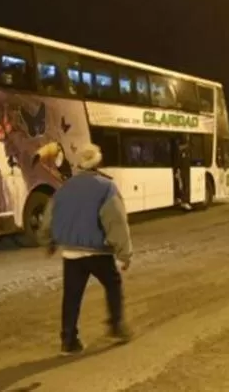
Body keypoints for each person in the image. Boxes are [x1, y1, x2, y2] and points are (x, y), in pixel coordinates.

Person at [45, 143, 133, 355]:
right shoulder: (106, 187)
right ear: (98, 163)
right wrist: (124, 253)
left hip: (71, 252)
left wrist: (50, 240)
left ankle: (68, 340)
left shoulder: (64, 187)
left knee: (71, 297)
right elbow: (116, 221)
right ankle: (116, 327)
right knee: (113, 284)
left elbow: (51, 216)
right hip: (97, 251)